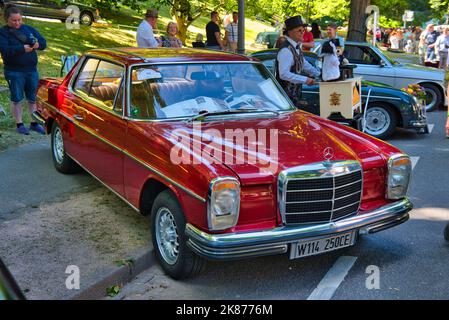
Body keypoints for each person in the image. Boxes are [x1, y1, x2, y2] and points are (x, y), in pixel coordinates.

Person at [0, 4, 46, 135]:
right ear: (6, 19)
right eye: (14, 20)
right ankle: (19, 124)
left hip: (31, 70)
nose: (17, 23)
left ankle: (34, 123)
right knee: (17, 98)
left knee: (33, 98)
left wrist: (38, 44)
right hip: (14, 71)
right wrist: (22, 49)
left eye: (19, 20)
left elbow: (43, 42)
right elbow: (5, 50)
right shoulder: (2, 33)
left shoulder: (28, 29)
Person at [276, 15, 320, 112]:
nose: (302, 33)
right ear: (290, 32)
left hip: (294, 96)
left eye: (303, 30)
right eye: (299, 30)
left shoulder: (296, 47)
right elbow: (284, 74)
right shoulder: (286, 50)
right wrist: (306, 79)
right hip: (284, 97)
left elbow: (304, 64)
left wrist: (319, 74)